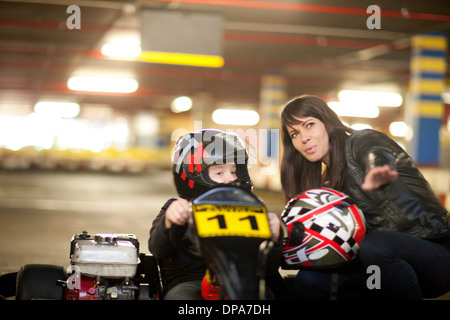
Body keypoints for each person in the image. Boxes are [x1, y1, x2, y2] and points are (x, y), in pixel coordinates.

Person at [280, 94, 450, 299]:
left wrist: (376, 169)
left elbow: (375, 153)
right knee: (310, 280)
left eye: (309, 125)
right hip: (376, 271)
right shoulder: (326, 186)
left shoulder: (361, 141)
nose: (303, 137)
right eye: (294, 134)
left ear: (327, 122)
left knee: (376, 245)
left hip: (434, 254)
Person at [149, 129, 282, 300]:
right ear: (192, 174)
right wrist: (169, 222)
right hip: (191, 281)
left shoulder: (248, 208)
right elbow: (157, 249)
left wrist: (275, 239)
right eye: (220, 172)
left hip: (242, 278)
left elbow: (268, 268)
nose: (230, 179)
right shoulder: (177, 209)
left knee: (267, 294)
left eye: (234, 172)